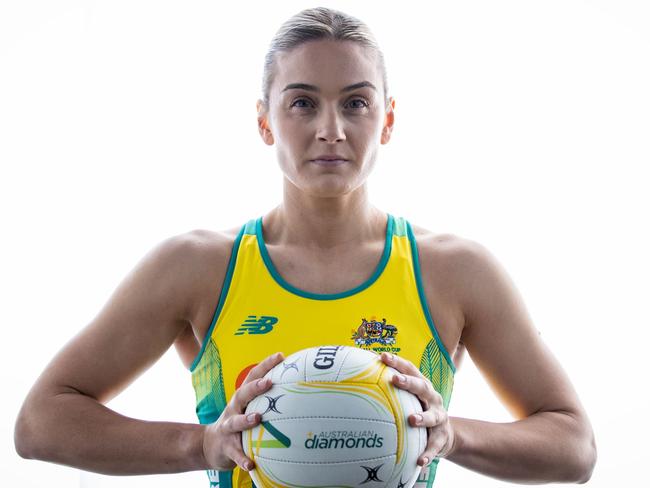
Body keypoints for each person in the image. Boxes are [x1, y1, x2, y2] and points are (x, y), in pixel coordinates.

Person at [14, 6, 596, 487]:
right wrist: (200, 444)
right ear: (265, 121)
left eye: (356, 103)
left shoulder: (454, 271)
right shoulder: (198, 267)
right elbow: (42, 422)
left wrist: (452, 432)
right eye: (302, 102)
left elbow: (574, 445)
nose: (331, 130)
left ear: (388, 120)